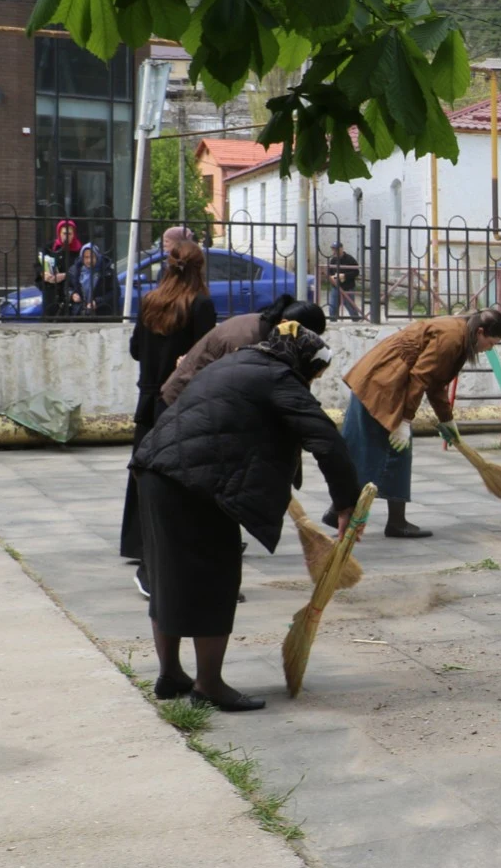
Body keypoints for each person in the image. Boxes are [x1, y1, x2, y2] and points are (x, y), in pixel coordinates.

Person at [132, 322, 361, 711]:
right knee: (216, 578)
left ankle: (170, 674)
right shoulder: (279, 378)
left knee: (165, 575)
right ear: (301, 362)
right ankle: (209, 684)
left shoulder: (237, 362)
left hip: (155, 470)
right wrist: (346, 504)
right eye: (312, 374)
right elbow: (325, 439)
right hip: (196, 484)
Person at [334, 308, 501, 537]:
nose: (489, 349)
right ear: (481, 332)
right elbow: (421, 377)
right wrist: (405, 421)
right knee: (384, 451)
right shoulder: (453, 338)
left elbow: (436, 384)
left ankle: (377, 518)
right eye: (491, 343)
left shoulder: (461, 333)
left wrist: (448, 421)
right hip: (382, 383)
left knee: (376, 452)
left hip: (384, 381)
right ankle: (387, 521)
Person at [122, 240, 218, 576]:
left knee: (144, 469)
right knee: (178, 476)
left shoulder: (150, 300)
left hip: (147, 399)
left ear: (168, 265)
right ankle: (174, 541)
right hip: (179, 400)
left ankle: (137, 541)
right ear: (199, 268)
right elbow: (205, 356)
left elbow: (136, 350)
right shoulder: (201, 304)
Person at [163, 294, 327, 408]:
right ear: (286, 324)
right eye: (304, 338)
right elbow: (236, 392)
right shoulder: (244, 340)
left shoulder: (270, 333)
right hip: (182, 403)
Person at [35, 219, 80, 318]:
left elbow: (82, 271)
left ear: (74, 235)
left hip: (70, 296)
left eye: (69, 234)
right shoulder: (50, 248)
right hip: (51, 294)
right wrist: (44, 274)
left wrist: (65, 275)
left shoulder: (79, 250)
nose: (66, 237)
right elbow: (38, 266)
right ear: (59, 233)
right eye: (64, 233)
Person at [64, 242, 120, 318]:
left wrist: (97, 302)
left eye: (92, 257)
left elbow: (116, 292)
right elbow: (67, 288)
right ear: (81, 257)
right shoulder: (74, 271)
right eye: (86, 257)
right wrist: (72, 295)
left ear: (97, 256)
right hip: (79, 315)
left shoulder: (107, 272)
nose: (89, 260)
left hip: (102, 315)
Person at [325, 241, 365, 321]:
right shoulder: (333, 260)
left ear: (341, 248)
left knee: (350, 305)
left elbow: (356, 272)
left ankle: (356, 321)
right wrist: (332, 277)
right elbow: (329, 272)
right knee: (333, 306)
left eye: (336, 249)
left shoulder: (350, 259)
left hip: (348, 287)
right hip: (336, 287)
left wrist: (345, 276)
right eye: (333, 249)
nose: (334, 251)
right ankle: (333, 322)